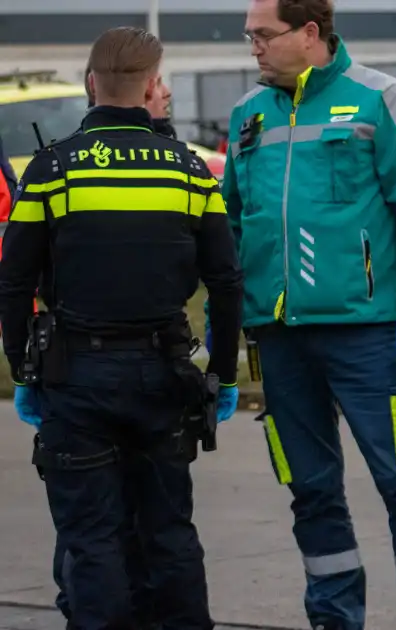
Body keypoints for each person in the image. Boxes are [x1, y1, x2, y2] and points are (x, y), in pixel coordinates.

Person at [226, 1, 396, 628]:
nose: (252, 47)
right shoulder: (246, 116)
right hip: (278, 340)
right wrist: (227, 316)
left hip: (368, 335)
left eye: (262, 35)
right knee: (309, 491)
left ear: (309, 33)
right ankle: (333, 618)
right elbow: (227, 226)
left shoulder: (381, 99)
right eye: (247, 36)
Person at [0, 25, 242, 630]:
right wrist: (226, 372)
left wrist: (22, 371)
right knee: (169, 533)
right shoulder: (189, 171)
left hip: (76, 378)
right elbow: (226, 281)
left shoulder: (52, 169)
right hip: (165, 375)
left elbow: (12, 282)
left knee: (92, 540)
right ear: (152, 87)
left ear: (90, 84)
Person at [44, 63, 182, 628]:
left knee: (118, 517)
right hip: (103, 358)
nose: (168, 90)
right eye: (159, 81)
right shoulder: (70, 162)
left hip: (135, 359)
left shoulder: (173, 155)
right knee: (99, 519)